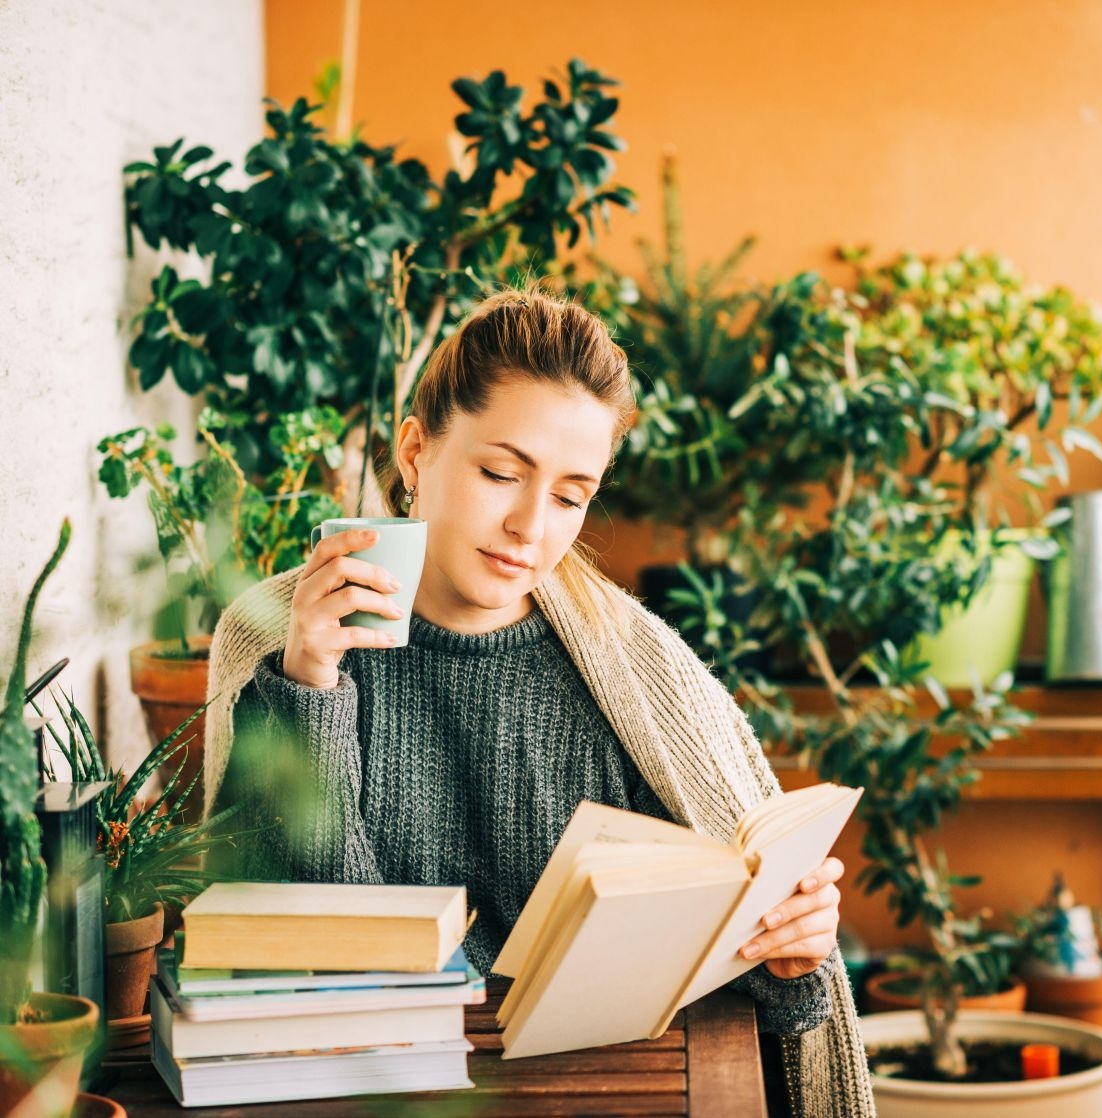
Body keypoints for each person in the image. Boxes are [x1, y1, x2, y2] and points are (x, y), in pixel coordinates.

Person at [199, 287, 875, 1117]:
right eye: (500, 472)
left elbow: (769, 1009)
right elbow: (261, 944)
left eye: (570, 495)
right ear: (415, 453)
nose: (529, 525)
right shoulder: (275, 633)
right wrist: (311, 686)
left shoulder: (635, 673)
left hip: (606, 1092)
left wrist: (792, 958)